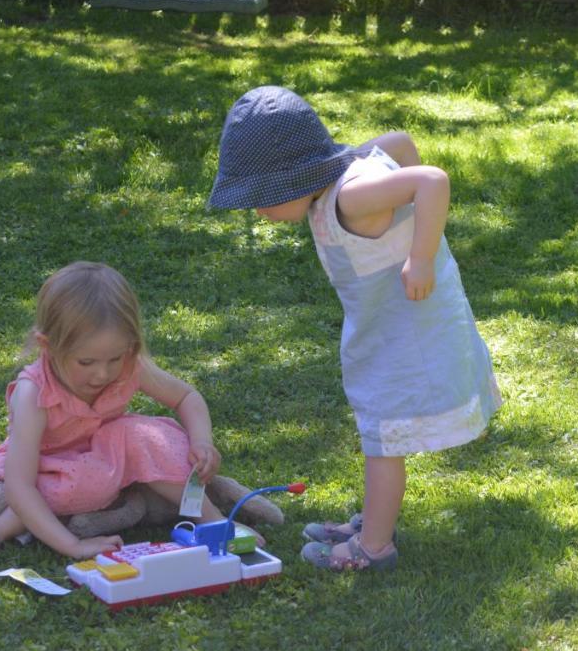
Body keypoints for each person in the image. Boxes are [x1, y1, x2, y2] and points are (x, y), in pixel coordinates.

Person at [208, 86, 502, 571]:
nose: (257, 210)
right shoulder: (350, 176)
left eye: (262, 198)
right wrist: (404, 226)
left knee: (382, 439)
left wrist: (421, 255)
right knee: (378, 430)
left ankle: (374, 547)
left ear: (295, 178)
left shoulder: (352, 197)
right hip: (392, 323)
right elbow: (402, 144)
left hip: (406, 332)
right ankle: (372, 520)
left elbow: (430, 178)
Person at [0, 261, 231, 561]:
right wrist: (72, 546)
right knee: (64, 487)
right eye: (86, 362)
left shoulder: (130, 366)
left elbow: (187, 397)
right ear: (47, 346)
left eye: (114, 358)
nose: (103, 374)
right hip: (50, 465)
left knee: (158, 441)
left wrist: (202, 442)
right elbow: (19, 485)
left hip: (105, 454)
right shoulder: (34, 393)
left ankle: (213, 519)